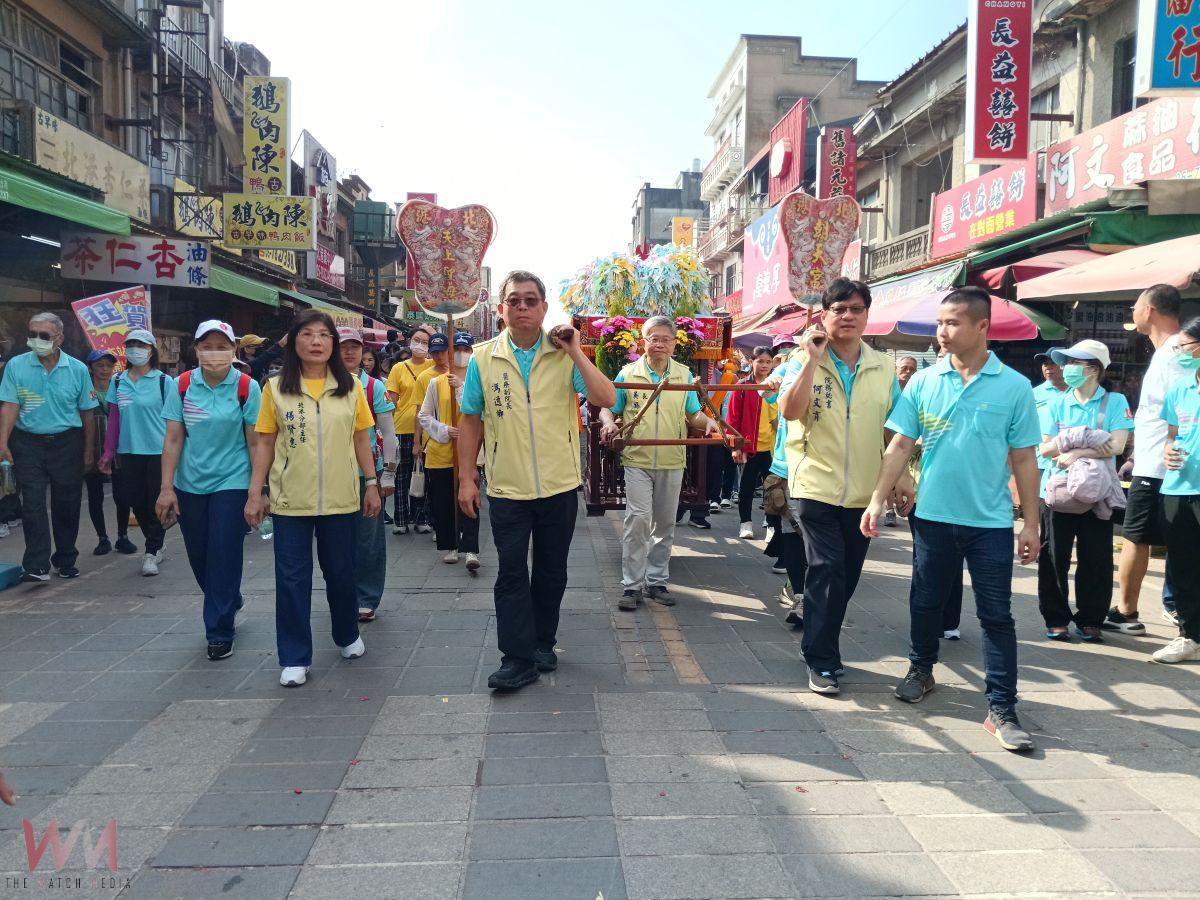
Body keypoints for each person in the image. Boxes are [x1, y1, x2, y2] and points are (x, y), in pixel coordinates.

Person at [863, 286, 1042, 752]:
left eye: (953, 322)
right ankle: (921, 669)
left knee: (996, 615)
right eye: (940, 322)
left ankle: (1002, 707)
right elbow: (900, 445)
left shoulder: (1015, 387)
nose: (942, 331)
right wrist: (877, 500)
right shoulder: (924, 382)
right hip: (933, 517)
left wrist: (1031, 522)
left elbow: (1025, 458)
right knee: (925, 601)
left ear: (982, 326)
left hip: (990, 524)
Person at [457, 270, 615, 691]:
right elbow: (471, 419)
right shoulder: (483, 358)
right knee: (510, 571)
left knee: (551, 571)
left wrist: (576, 350)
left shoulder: (563, 354)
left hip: (559, 485)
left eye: (531, 300)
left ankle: (543, 642)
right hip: (507, 487)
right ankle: (516, 658)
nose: (522, 307)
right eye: (514, 301)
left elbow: (606, 397)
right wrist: (467, 479)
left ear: (545, 307)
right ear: (501, 309)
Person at [778, 279, 905, 696]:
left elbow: (895, 428)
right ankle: (822, 660)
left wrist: (902, 476)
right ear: (824, 315)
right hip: (813, 485)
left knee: (846, 577)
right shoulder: (803, 359)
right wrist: (811, 361)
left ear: (867, 315)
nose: (847, 316)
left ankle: (816, 640)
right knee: (828, 569)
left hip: (864, 492)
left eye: (856, 309)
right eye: (839, 309)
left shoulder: (883, 367)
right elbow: (790, 411)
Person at [245, 310, 381, 688]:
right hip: (291, 500)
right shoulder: (275, 388)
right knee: (291, 578)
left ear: (332, 343)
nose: (316, 342)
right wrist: (256, 492)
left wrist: (372, 482)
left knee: (341, 572)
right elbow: (265, 443)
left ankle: (347, 633)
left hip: (341, 498)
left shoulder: (350, 387)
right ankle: (294, 656)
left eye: (324, 335)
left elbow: (361, 438)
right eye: (307, 334)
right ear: (294, 342)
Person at [157, 321, 262, 661]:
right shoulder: (182, 385)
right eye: (207, 346)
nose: (214, 353)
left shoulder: (246, 386)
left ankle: (218, 631)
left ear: (233, 350)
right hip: (190, 483)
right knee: (199, 554)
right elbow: (174, 438)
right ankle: (228, 598)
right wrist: (166, 488)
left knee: (223, 552)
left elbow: (255, 442)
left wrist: (257, 490)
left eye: (222, 346)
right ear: (197, 350)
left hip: (232, 481)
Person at [599, 316, 719, 610]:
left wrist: (709, 422)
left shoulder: (684, 375)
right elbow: (609, 408)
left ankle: (657, 582)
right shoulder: (629, 373)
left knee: (664, 522)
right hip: (637, 458)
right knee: (638, 520)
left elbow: (693, 414)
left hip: (672, 458)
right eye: (654, 338)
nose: (660, 344)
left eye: (666, 339)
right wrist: (609, 423)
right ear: (644, 342)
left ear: (674, 344)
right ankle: (632, 586)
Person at [1037, 340, 1130, 642]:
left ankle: (1091, 619)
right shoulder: (1056, 402)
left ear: (1093, 369)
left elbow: (1117, 445)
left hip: (1098, 493)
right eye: (1066, 362)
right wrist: (1092, 441)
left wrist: (1075, 450)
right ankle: (1056, 618)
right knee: (1054, 556)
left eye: (1074, 363)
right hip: (1058, 491)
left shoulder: (1115, 402)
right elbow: (1045, 448)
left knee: (1096, 558)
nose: (1066, 368)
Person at [1110, 284, 1186, 633]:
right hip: (1156, 462)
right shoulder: (1168, 351)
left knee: (1136, 537)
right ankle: (1175, 610)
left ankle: (1127, 612)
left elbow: (1186, 406)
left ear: (1150, 310)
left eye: (1135, 307)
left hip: (1162, 466)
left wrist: (1174, 445)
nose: (1133, 313)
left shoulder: (1175, 352)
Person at [0, 312, 97, 581]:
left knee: (67, 503)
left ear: (59, 338)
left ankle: (66, 558)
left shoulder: (77, 369)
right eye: (32, 334)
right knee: (32, 503)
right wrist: (2, 442)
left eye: (44, 335)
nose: (36, 340)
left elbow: (87, 413)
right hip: (27, 443)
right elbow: (10, 405)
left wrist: (89, 450)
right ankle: (36, 565)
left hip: (67, 443)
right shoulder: (16, 366)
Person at [98, 329, 172, 576]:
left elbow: (174, 421)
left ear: (151, 350)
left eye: (141, 345)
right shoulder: (119, 381)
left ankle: (151, 551)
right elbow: (114, 419)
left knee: (155, 502)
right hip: (129, 451)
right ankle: (156, 541)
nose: (135, 349)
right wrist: (108, 452)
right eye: (130, 344)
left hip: (159, 451)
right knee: (134, 501)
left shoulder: (164, 382)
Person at [337, 328, 397, 623]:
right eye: (343, 347)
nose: (349, 352)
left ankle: (367, 596)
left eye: (355, 347)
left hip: (368, 473)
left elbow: (389, 433)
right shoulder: (324, 384)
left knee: (369, 538)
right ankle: (342, 593)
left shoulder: (373, 387)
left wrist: (388, 474)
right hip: (334, 474)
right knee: (337, 539)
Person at [1154, 316, 1200, 663]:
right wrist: (1168, 451)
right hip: (1178, 487)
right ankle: (1189, 635)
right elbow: (1173, 435)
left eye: (1185, 346)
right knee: (1182, 565)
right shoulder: (1180, 390)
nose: (1180, 353)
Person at [419, 331, 480, 569]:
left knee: (470, 499)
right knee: (444, 502)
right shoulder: (436, 383)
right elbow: (424, 416)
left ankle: (471, 549)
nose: (461, 354)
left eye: (466, 350)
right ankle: (451, 545)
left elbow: (478, 414)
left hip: (469, 453)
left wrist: (462, 388)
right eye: (458, 350)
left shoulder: (477, 381)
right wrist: (444, 430)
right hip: (441, 452)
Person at [385, 323, 434, 535]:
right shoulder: (398, 368)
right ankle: (401, 520)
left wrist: (433, 333)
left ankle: (421, 518)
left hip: (428, 430)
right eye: (417, 340)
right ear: (409, 341)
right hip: (402, 428)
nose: (420, 345)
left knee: (423, 476)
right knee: (402, 476)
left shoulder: (433, 365)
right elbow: (392, 401)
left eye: (425, 342)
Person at [84, 349, 133, 555]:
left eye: (108, 365)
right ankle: (102, 538)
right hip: (93, 449)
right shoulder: (85, 390)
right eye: (99, 365)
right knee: (95, 496)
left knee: (122, 496)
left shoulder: (120, 387)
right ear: (91, 368)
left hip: (119, 450)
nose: (104, 369)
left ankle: (123, 536)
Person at [729, 346, 779, 540]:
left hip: (772, 447)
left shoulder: (775, 385)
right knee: (747, 487)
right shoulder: (742, 386)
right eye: (760, 361)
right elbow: (733, 418)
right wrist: (736, 446)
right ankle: (745, 523)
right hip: (749, 446)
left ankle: (771, 525)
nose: (764, 365)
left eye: (768, 362)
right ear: (751, 362)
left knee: (773, 489)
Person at [883, 356, 919, 527]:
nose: (908, 372)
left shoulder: (915, 390)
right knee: (888, 471)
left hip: (910, 441)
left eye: (912, 369)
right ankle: (889, 509)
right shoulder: (888, 388)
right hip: (887, 437)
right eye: (905, 368)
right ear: (896, 369)